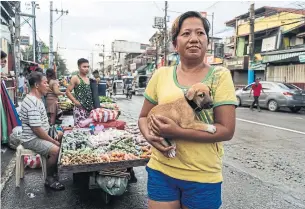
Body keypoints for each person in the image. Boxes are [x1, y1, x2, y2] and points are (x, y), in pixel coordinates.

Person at [138, 11, 237, 209]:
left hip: (203, 175)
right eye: (186, 34)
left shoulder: (220, 76)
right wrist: (151, 137)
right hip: (161, 170)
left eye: (200, 33)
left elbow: (226, 130)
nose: (194, 39)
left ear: (207, 41)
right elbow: (143, 117)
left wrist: (177, 132)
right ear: (175, 44)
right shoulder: (161, 75)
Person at [19, 71, 65, 190]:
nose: (48, 86)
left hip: (40, 133)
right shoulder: (33, 103)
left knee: (63, 135)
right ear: (37, 85)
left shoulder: (37, 99)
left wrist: (54, 133)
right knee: (55, 150)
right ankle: (49, 180)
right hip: (32, 138)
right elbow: (37, 130)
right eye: (45, 83)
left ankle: (55, 171)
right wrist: (52, 141)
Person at [66, 58, 94, 126]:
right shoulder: (75, 78)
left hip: (90, 109)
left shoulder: (89, 79)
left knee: (90, 129)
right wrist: (75, 101)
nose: (86, 68)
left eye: (88, 67)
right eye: (84, 67)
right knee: (80, 129)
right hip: (80, 109)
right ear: (79, 67)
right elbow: (67, 91)